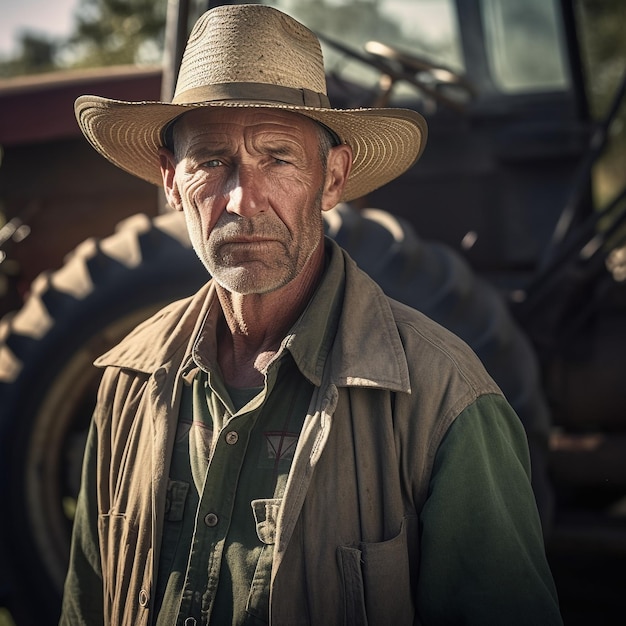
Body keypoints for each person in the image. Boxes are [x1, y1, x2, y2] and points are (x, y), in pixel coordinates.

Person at [60, 4, 563, 625]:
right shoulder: (127, 383)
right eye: (211, 161)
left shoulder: (445, 400)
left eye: (278, 158)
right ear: (171, 181)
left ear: (333, 180)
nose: (244, 199)